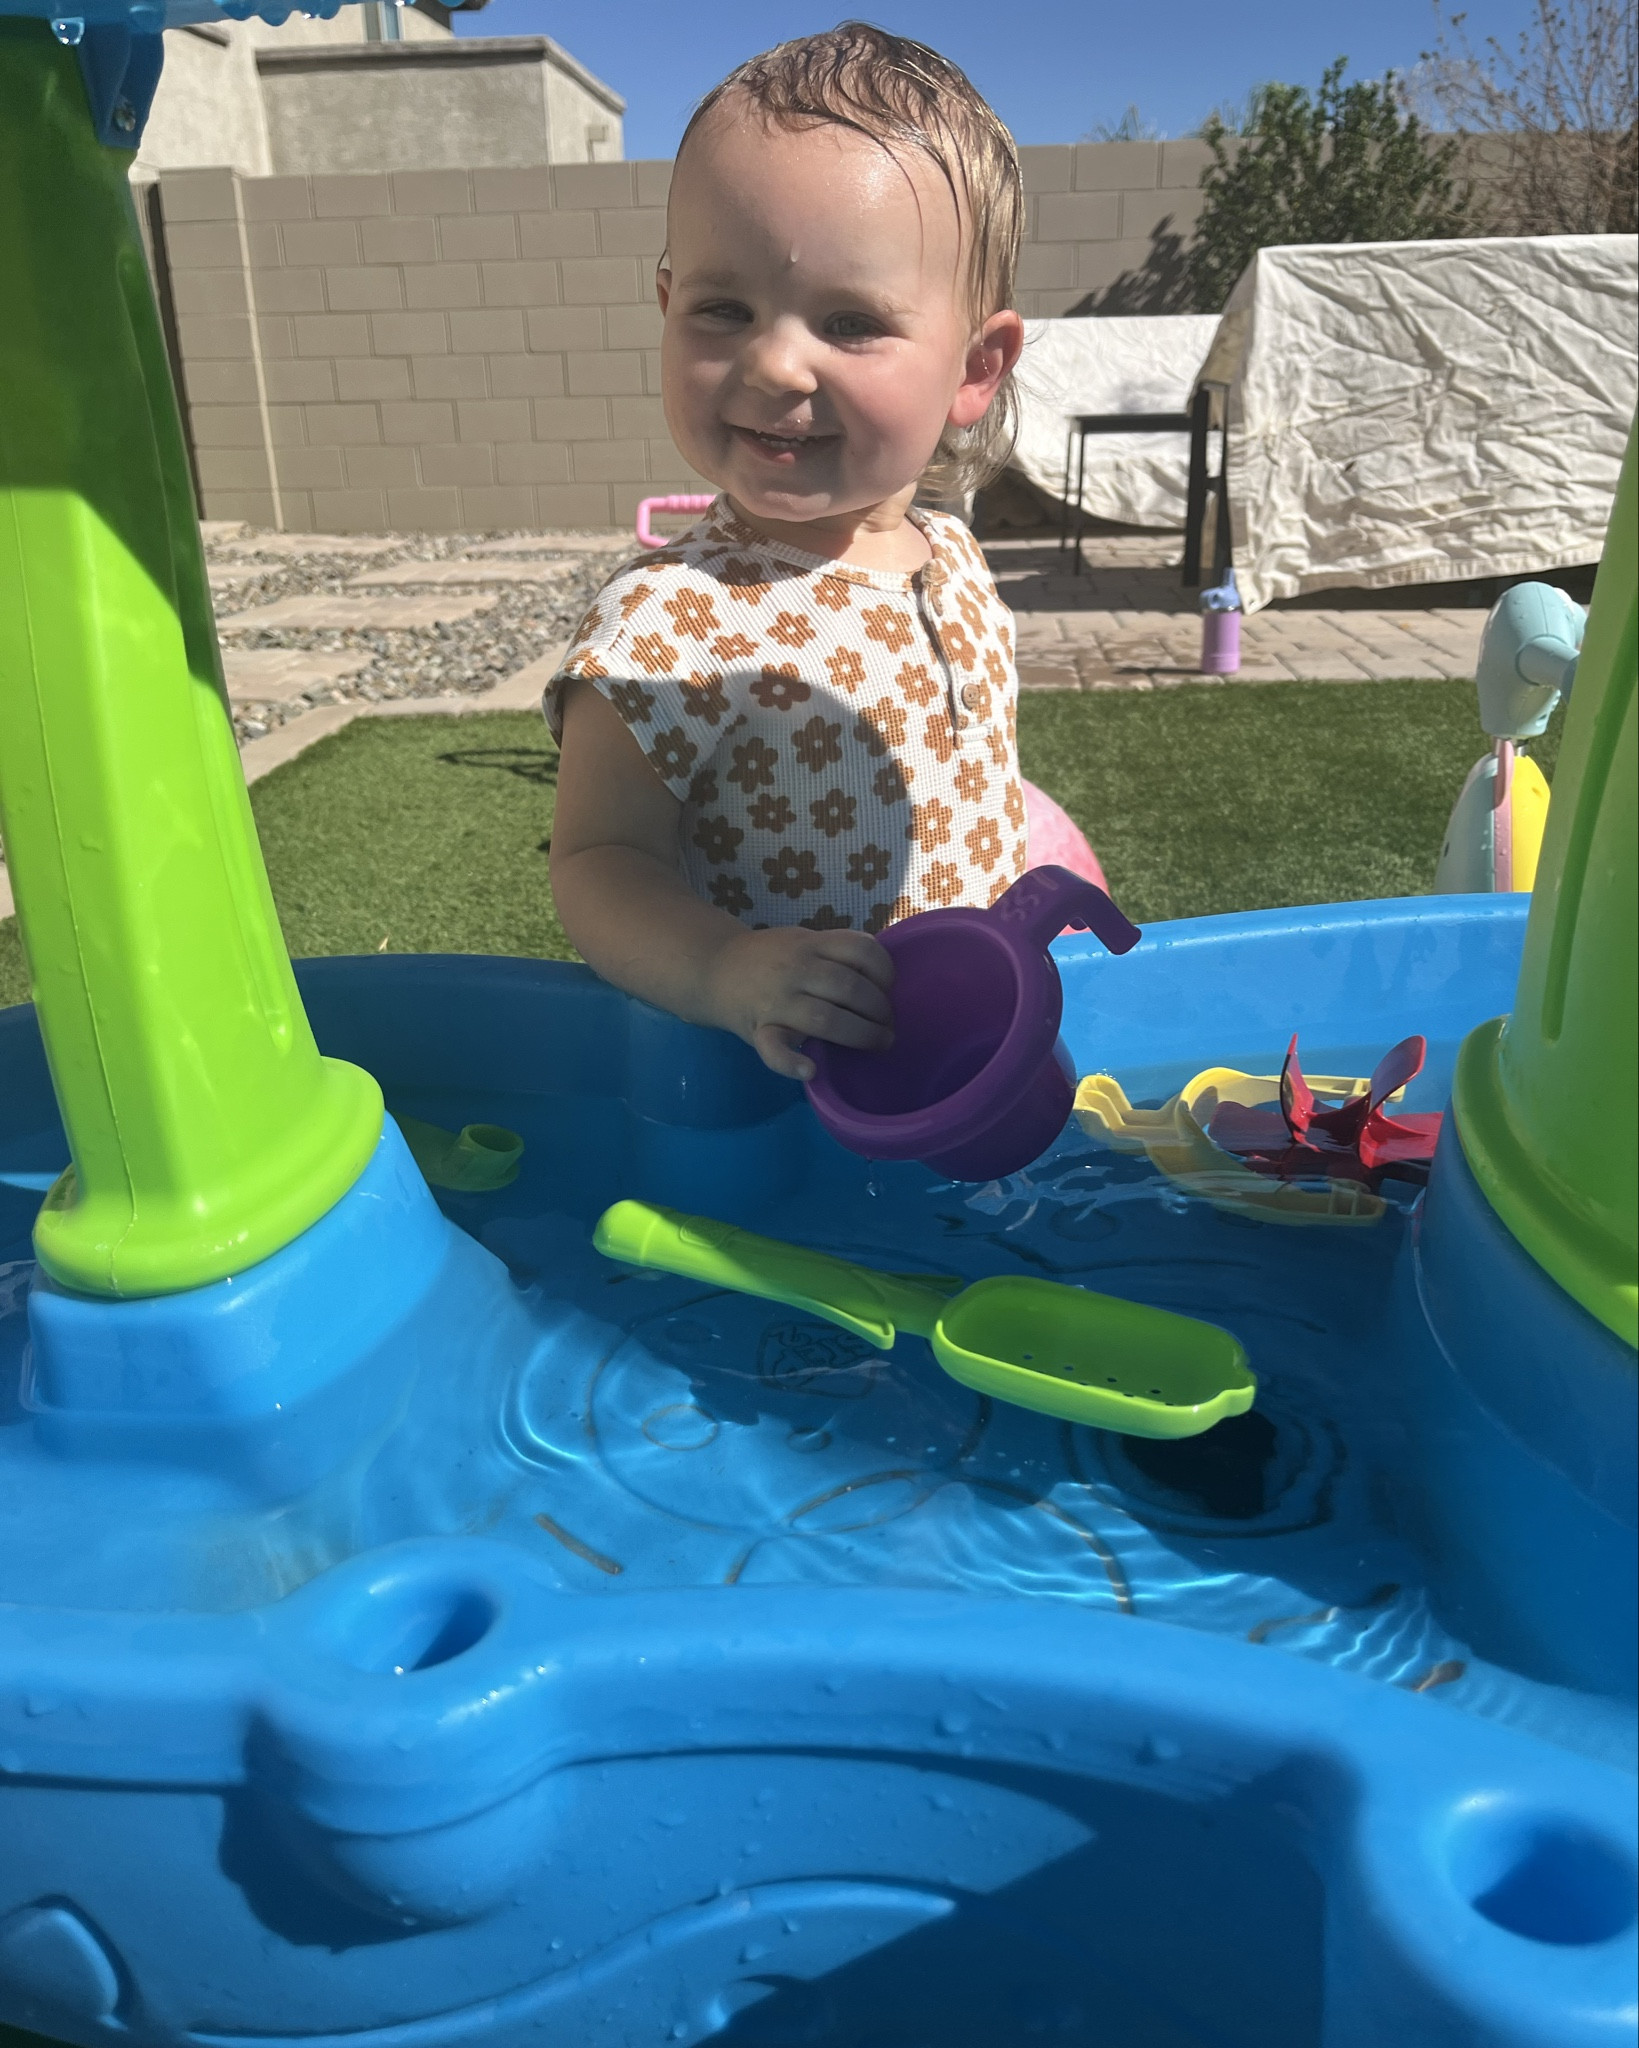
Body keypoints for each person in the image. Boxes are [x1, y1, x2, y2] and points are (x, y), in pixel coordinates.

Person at [545, 22, 1027, 1082]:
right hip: (774, 1084)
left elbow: (969, 772)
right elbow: (595, 861)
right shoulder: (674, 616)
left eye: (850, 323)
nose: (772, 363)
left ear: (974, 365)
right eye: (725, 309)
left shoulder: (951, 555)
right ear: (669, 307)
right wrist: (727, 970)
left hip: (966, 1057)